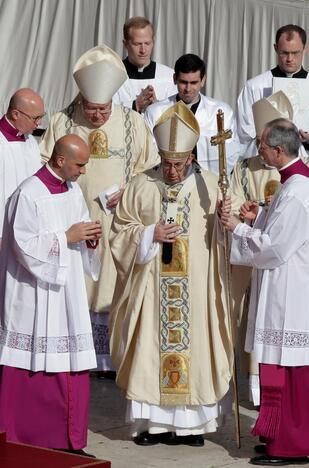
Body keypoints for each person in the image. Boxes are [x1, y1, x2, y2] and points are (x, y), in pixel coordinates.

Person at [109, 101, 233, 447]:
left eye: (179, 164)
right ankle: (153, 424)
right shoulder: (141, 184)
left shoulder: (210, 185)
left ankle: (191, 427)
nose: (173, 171)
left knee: (195, 348)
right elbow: (120, 229)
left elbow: (226, 238)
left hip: (195, 289)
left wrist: (227, 218)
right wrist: (149, 234)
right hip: (152, 285)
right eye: (167, 164)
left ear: (191, 159)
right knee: (151, 350)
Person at [39, 45, 159, 372]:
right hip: (73, 220)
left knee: (112, 283)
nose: (97, 116)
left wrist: (131, 191)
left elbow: (151, 170)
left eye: (103, 109)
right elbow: (43, 165)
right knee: (77, 284)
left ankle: (109, 359)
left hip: (117, 222)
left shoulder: (133, 122)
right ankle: (75, 352)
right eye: (91, 109)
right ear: (81, 100)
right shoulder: (63, 121)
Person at [221, 119, 309, 466]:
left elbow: (278, 247)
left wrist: (238, 228)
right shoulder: (292, 181)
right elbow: (279, 228)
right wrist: (259, 216)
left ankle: (293, 445)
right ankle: (276, 435)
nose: (259, 151)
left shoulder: (299, 190)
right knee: (275, 365)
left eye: (263, 146)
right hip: (282, 287)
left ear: (279, 150)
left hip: (292, 292)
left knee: (291, 369)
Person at [0, 134, 102, 455]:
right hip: (35, 295)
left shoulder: (72, 190)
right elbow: (22, 246)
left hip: (66, 292)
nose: (84, 171)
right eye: (80, 164)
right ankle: (27, 440)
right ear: (60, 161)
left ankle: (69, 441)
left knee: (72, 363)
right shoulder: (27, 194)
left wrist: (89, 238)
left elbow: (80, 225)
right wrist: (67, 236)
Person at [236, 24, 309, 173]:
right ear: (276, 48)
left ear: (305, 49)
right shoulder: (255, 86)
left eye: (295, 53)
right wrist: (263, 139)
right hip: (265, 167)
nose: (289, 59)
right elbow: (243, 129)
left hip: (304, 165)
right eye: (284, 53)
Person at [144, 53, 239, 175]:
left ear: (203, 80)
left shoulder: (221, 111)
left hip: (208, 181)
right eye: (183, 82)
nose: (188, 89)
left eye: (194, 82)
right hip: (167, 181)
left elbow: (232, 153)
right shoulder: (155, 112)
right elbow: (149, 153)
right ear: (174, 79)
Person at [0, 88, 44, 249]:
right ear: (15, 114)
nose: (39, 123)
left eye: (41, 117)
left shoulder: (30, 141)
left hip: (27, 231)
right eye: (35, 118)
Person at [112, 16, 176, 113]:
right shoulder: (112, 76)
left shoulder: (169, 76)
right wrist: (135, 105)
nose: (143, 50)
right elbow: (105, 113)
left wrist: (156, 106)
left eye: (147, 43)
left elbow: (177, 114)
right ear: (125, 44)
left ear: (153, 42)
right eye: (137, 44)